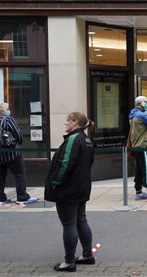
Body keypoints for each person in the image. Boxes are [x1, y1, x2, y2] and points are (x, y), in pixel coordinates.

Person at [45, 112, 96, 272]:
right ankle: (87, 255)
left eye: (68, 121)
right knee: (81, 220)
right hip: (81, 187)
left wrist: (55, 182)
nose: (65, 123)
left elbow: (64, 163)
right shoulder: (86, 140)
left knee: (69, 225)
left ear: (75, 123)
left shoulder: (73, 139)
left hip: (68, 189)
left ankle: (68, 262)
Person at [0, 101, 37, 205]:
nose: (8, 110)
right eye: (7, 109)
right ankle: (22, 197)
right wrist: (20, 143)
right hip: (11, 153)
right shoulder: (8, 119)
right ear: (1, 110)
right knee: (19, 173)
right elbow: (18, 134)